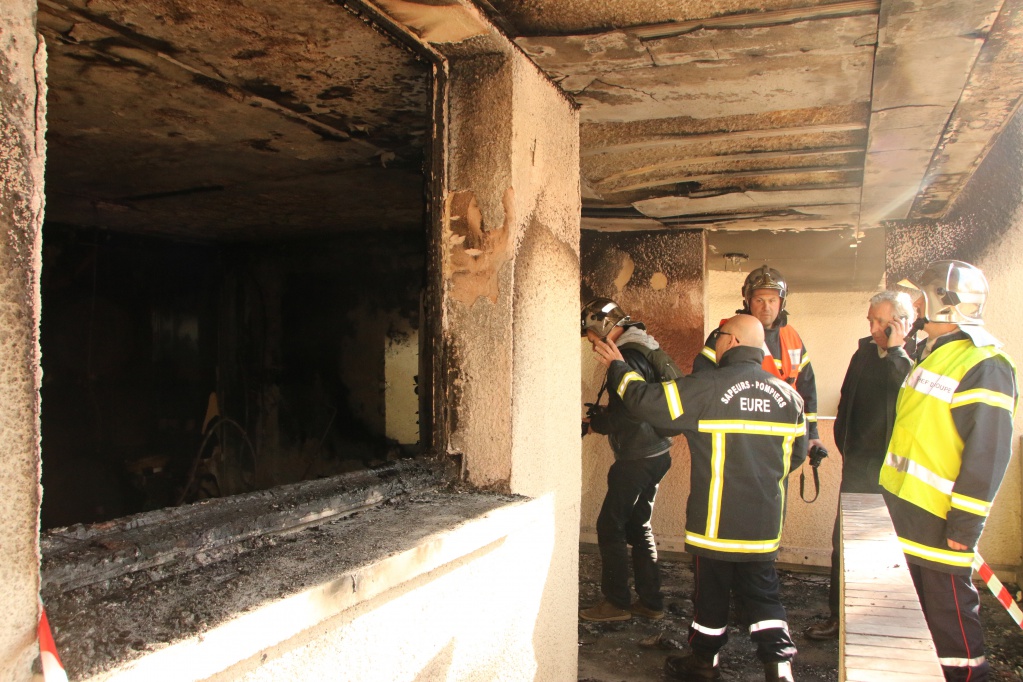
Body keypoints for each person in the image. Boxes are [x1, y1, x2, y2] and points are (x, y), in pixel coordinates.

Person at [594, 314, 806, 682]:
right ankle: (779, 668)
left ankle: (704, 664)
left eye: (719, 335)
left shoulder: (708, 387)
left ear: (732, 341)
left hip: (715, 525)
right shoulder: (790, 397)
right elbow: (797, 456)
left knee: (711, 595)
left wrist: (618, 367)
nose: (715, 341)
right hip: (763, 525)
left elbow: (648, 402)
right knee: (764, 595)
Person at [880, 260, 1017, 682]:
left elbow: (988, 452)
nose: (917, 307)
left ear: (946, 303)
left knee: (949, 621)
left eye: (922, 298)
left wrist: (966, 522)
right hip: (911, 513)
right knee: (918, 622)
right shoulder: (936, 354)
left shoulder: (985, 364)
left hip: (941, 521)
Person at [804, 290, 916, 640]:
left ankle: (880, 622)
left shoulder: (914, 358)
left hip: (893, 472)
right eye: (871, 320)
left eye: (882, 322)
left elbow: (908, 398)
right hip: (857, 465)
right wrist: (844, 442)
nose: (874, 328)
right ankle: (839, 617)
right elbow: (846, 398)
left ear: (902, 323)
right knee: (845, 544)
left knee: (887, 550)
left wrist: (896, 351)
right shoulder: (864, 352)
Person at [579, 298, 676, 623]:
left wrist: (595, 425)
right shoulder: (641, 346)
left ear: (605, 327)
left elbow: (630, 414)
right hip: (657, 451)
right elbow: (638, 402)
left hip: (637, 457)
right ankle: (651, 602)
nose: (593, 346)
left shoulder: (628, 357)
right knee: (638, 524)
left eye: (592, 338)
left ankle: (616, 603)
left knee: (610, 525)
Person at [694, 265, 823, 456]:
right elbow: (702, 382)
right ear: (748, 301)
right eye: (759, 300)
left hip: (782, 441)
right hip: (740, 440)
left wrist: (812, 435)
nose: (766, 307)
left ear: (782, 302)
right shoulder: (726, 334)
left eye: (772, 300)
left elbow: (806, 388)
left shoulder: (792, 338)